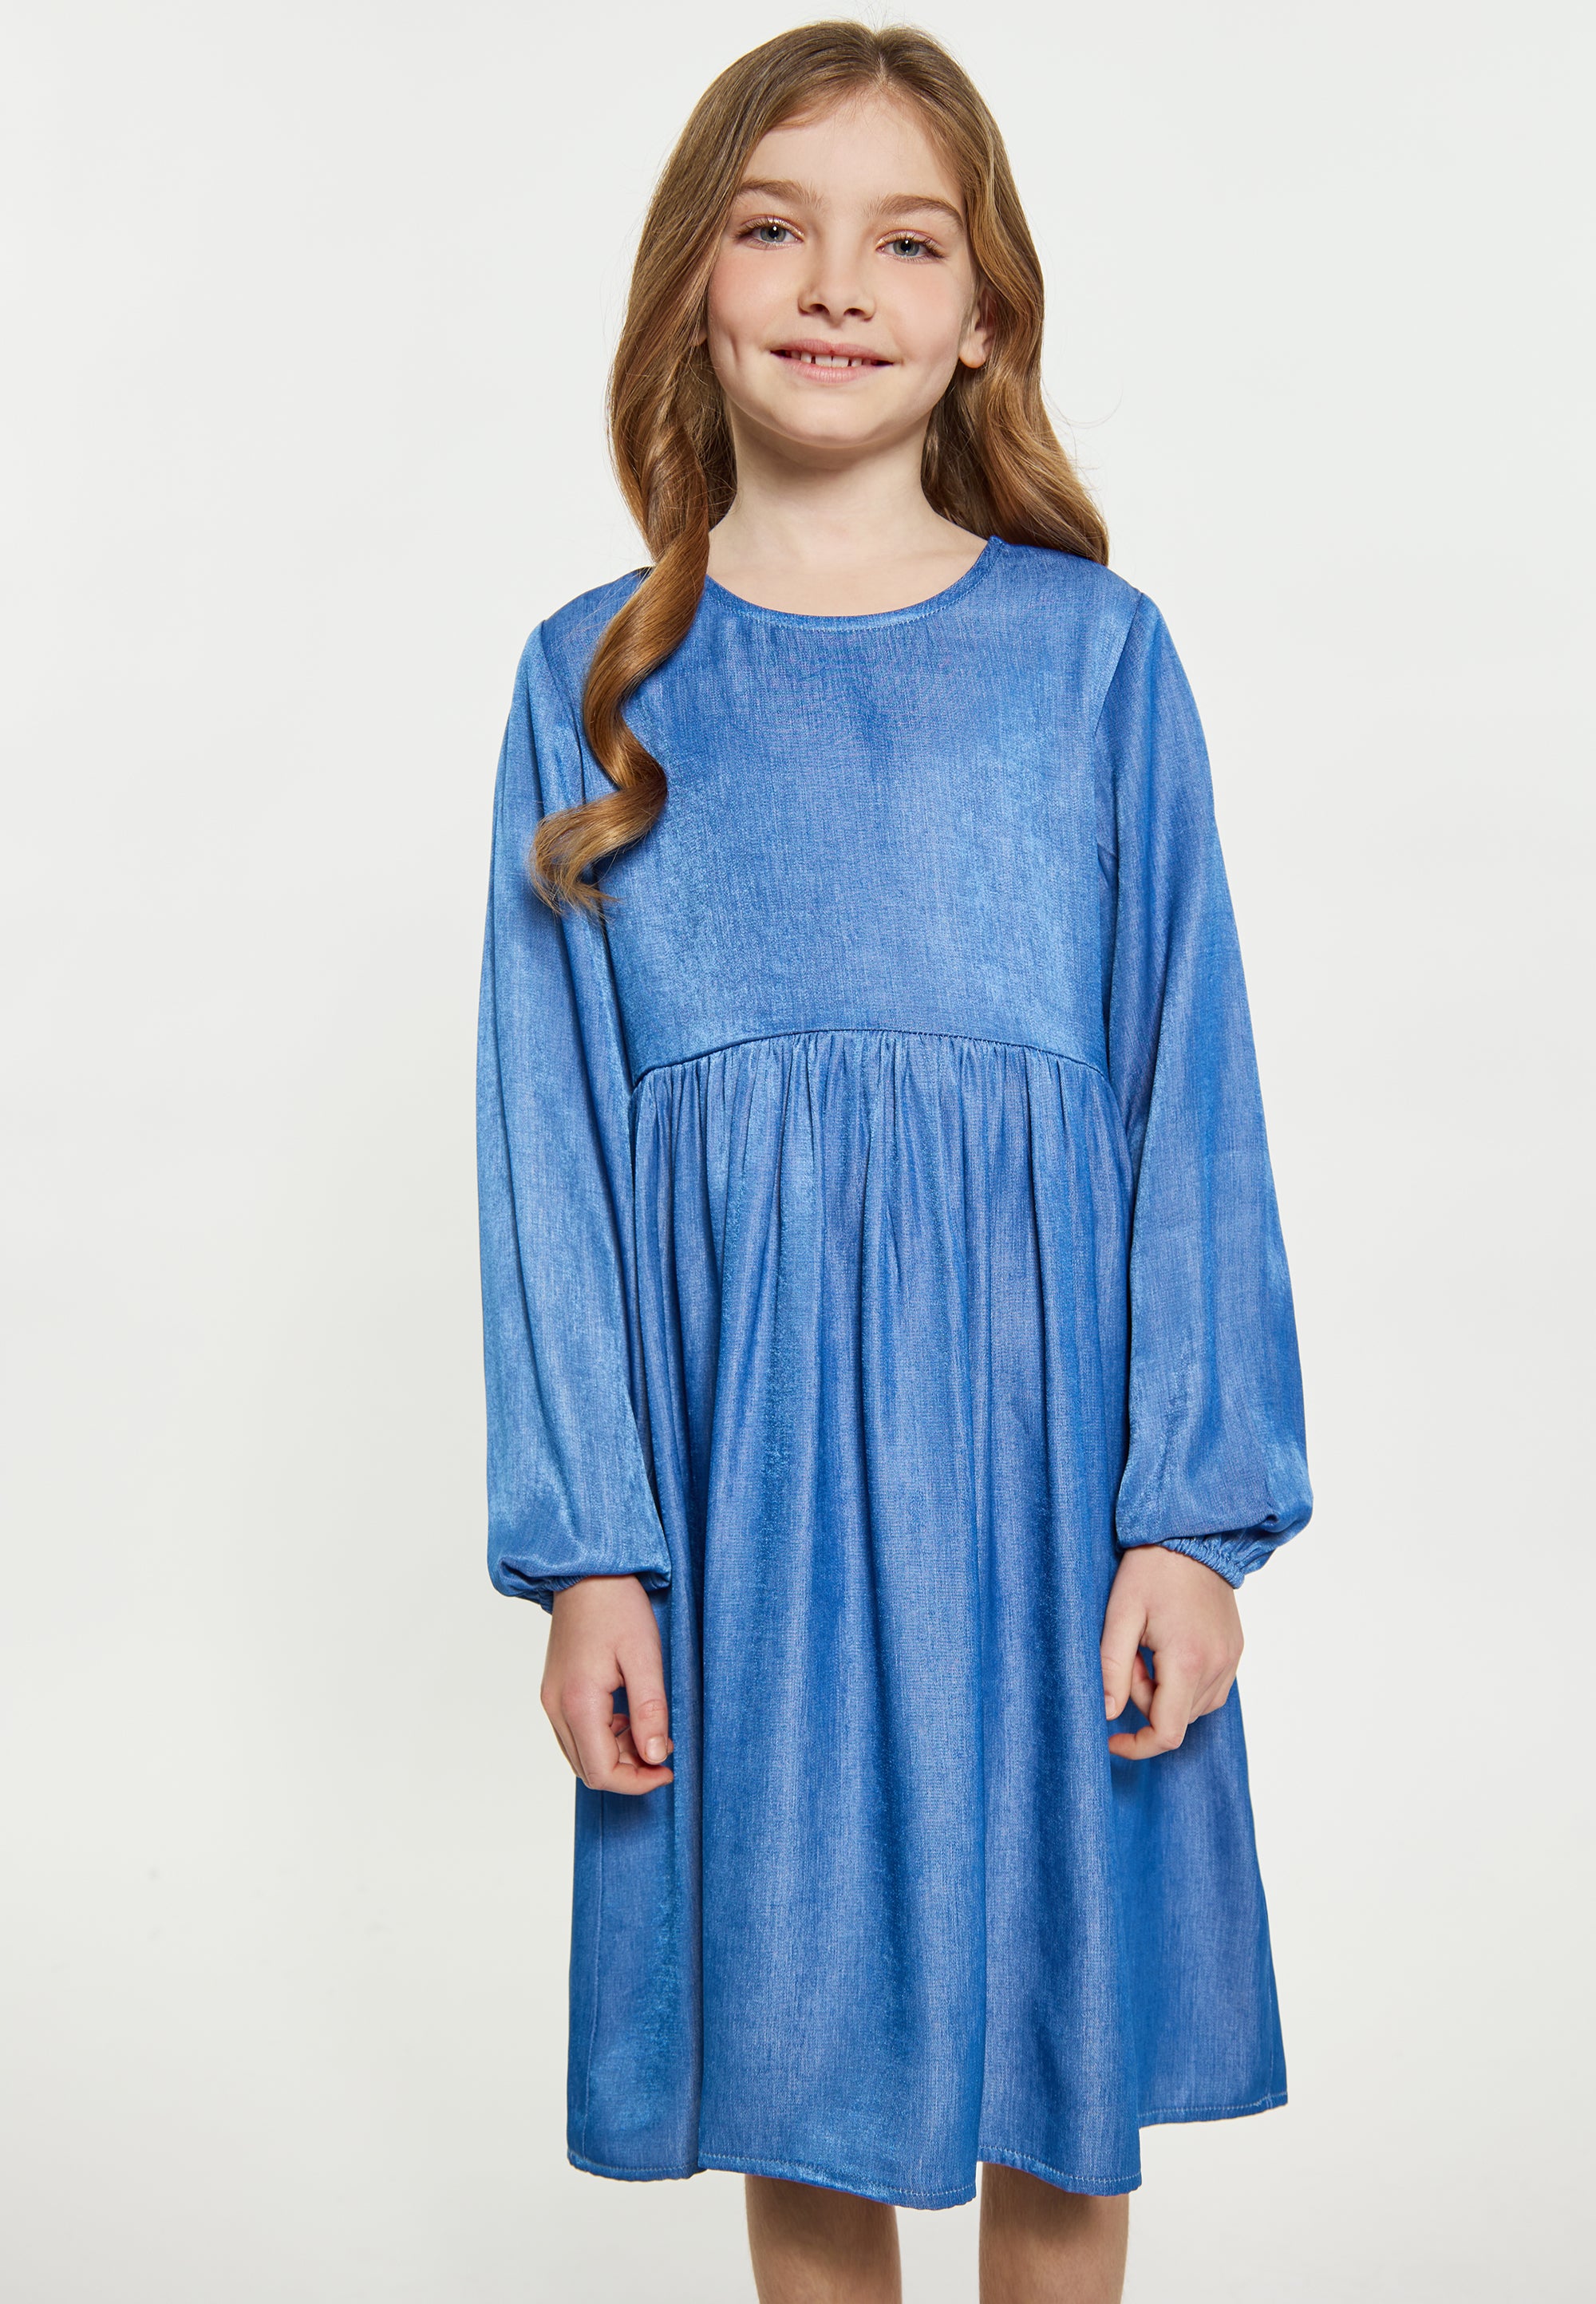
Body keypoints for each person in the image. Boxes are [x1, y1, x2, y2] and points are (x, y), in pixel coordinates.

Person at [475, 21, 1312, 2302]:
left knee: (1067, 2043)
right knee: (798, 2052)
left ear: (985, 319)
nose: (836, 283)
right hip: (745, 1501)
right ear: (694, 283)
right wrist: (593, 1557)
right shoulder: (591, 685)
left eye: (906, 241)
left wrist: (1191, 1513)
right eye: (775, 228)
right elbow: (546, 1160)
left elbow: (1192, 1100)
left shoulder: (1094, 662)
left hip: (1051, 1487)